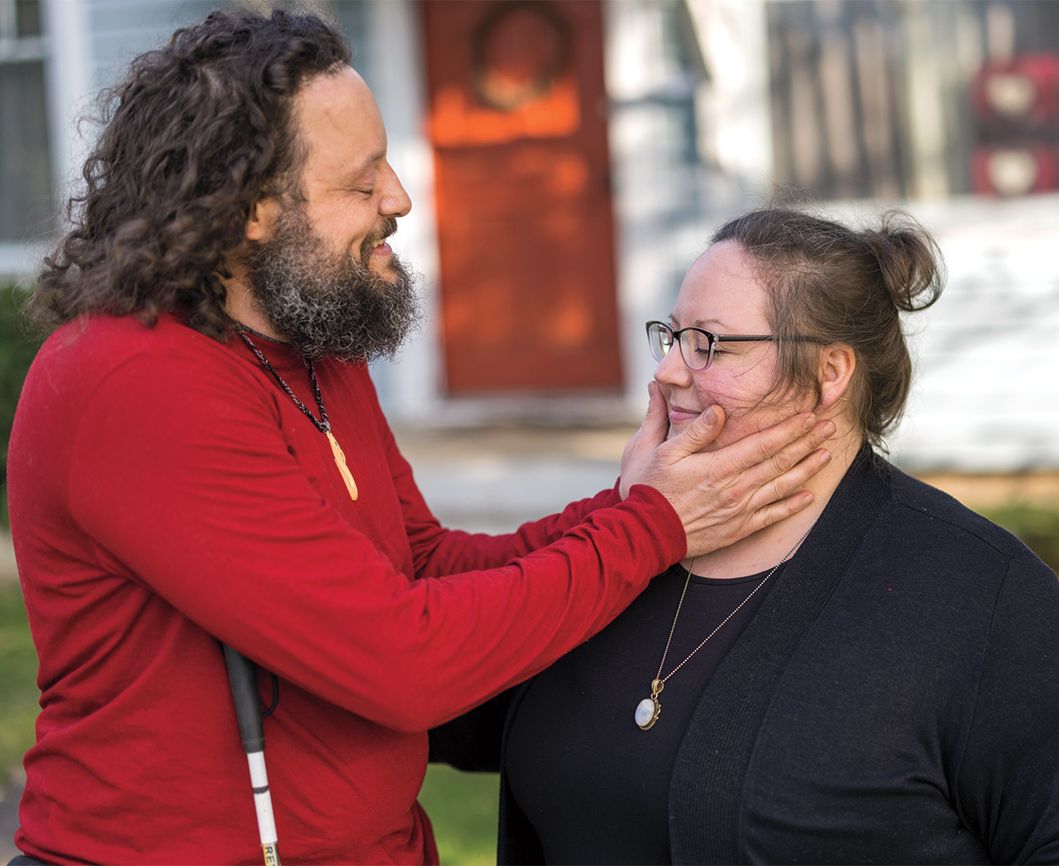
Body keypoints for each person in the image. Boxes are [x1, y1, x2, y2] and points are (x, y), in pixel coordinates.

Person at [4, 10, 835, 865]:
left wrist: (630, 504)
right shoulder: (132, 381)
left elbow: (424, 568)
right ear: (250, 210)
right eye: (362, 184)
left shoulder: (311, 347)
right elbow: (404, 662)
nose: (398, 198)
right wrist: (652, 526)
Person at [431, 208, 1059, 865]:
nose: (669, 371)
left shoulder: (979, 596)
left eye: (709, 343)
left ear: (829, 372)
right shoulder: (611, 557)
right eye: (670, 337)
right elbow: (425, 694)